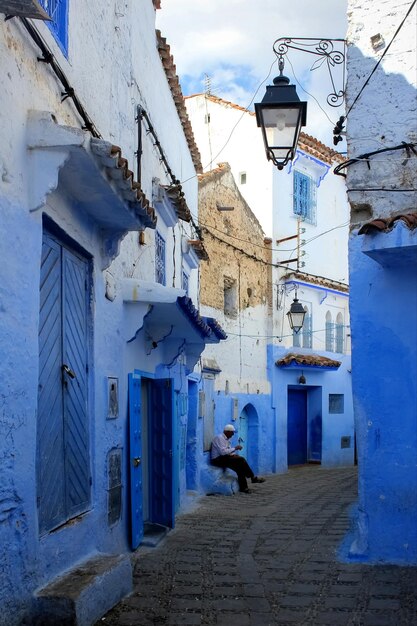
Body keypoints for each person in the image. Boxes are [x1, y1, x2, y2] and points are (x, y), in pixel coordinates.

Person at [210, 424, 266, 494]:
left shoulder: (227, 439)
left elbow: (227, 450)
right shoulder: (219, 438)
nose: (233, 434)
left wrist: (232, 454)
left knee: (239, 468)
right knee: (241, 459)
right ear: (227, 432)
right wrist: (235, 448)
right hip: (217, 459)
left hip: (223, 458)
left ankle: (244, 488)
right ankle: (253, 477)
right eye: (232, 432)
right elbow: (222, 452)